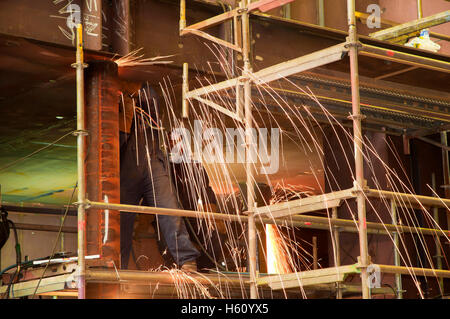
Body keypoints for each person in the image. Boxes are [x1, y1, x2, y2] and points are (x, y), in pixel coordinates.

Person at [118, 81, 200, 271]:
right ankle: (117, 267)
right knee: (120, 219)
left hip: (152, 158)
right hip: (126, 163)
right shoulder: (116, 102)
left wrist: (134, 94)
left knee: (169, 208)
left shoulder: (147, 93)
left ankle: (187, 260)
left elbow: (151, 108)